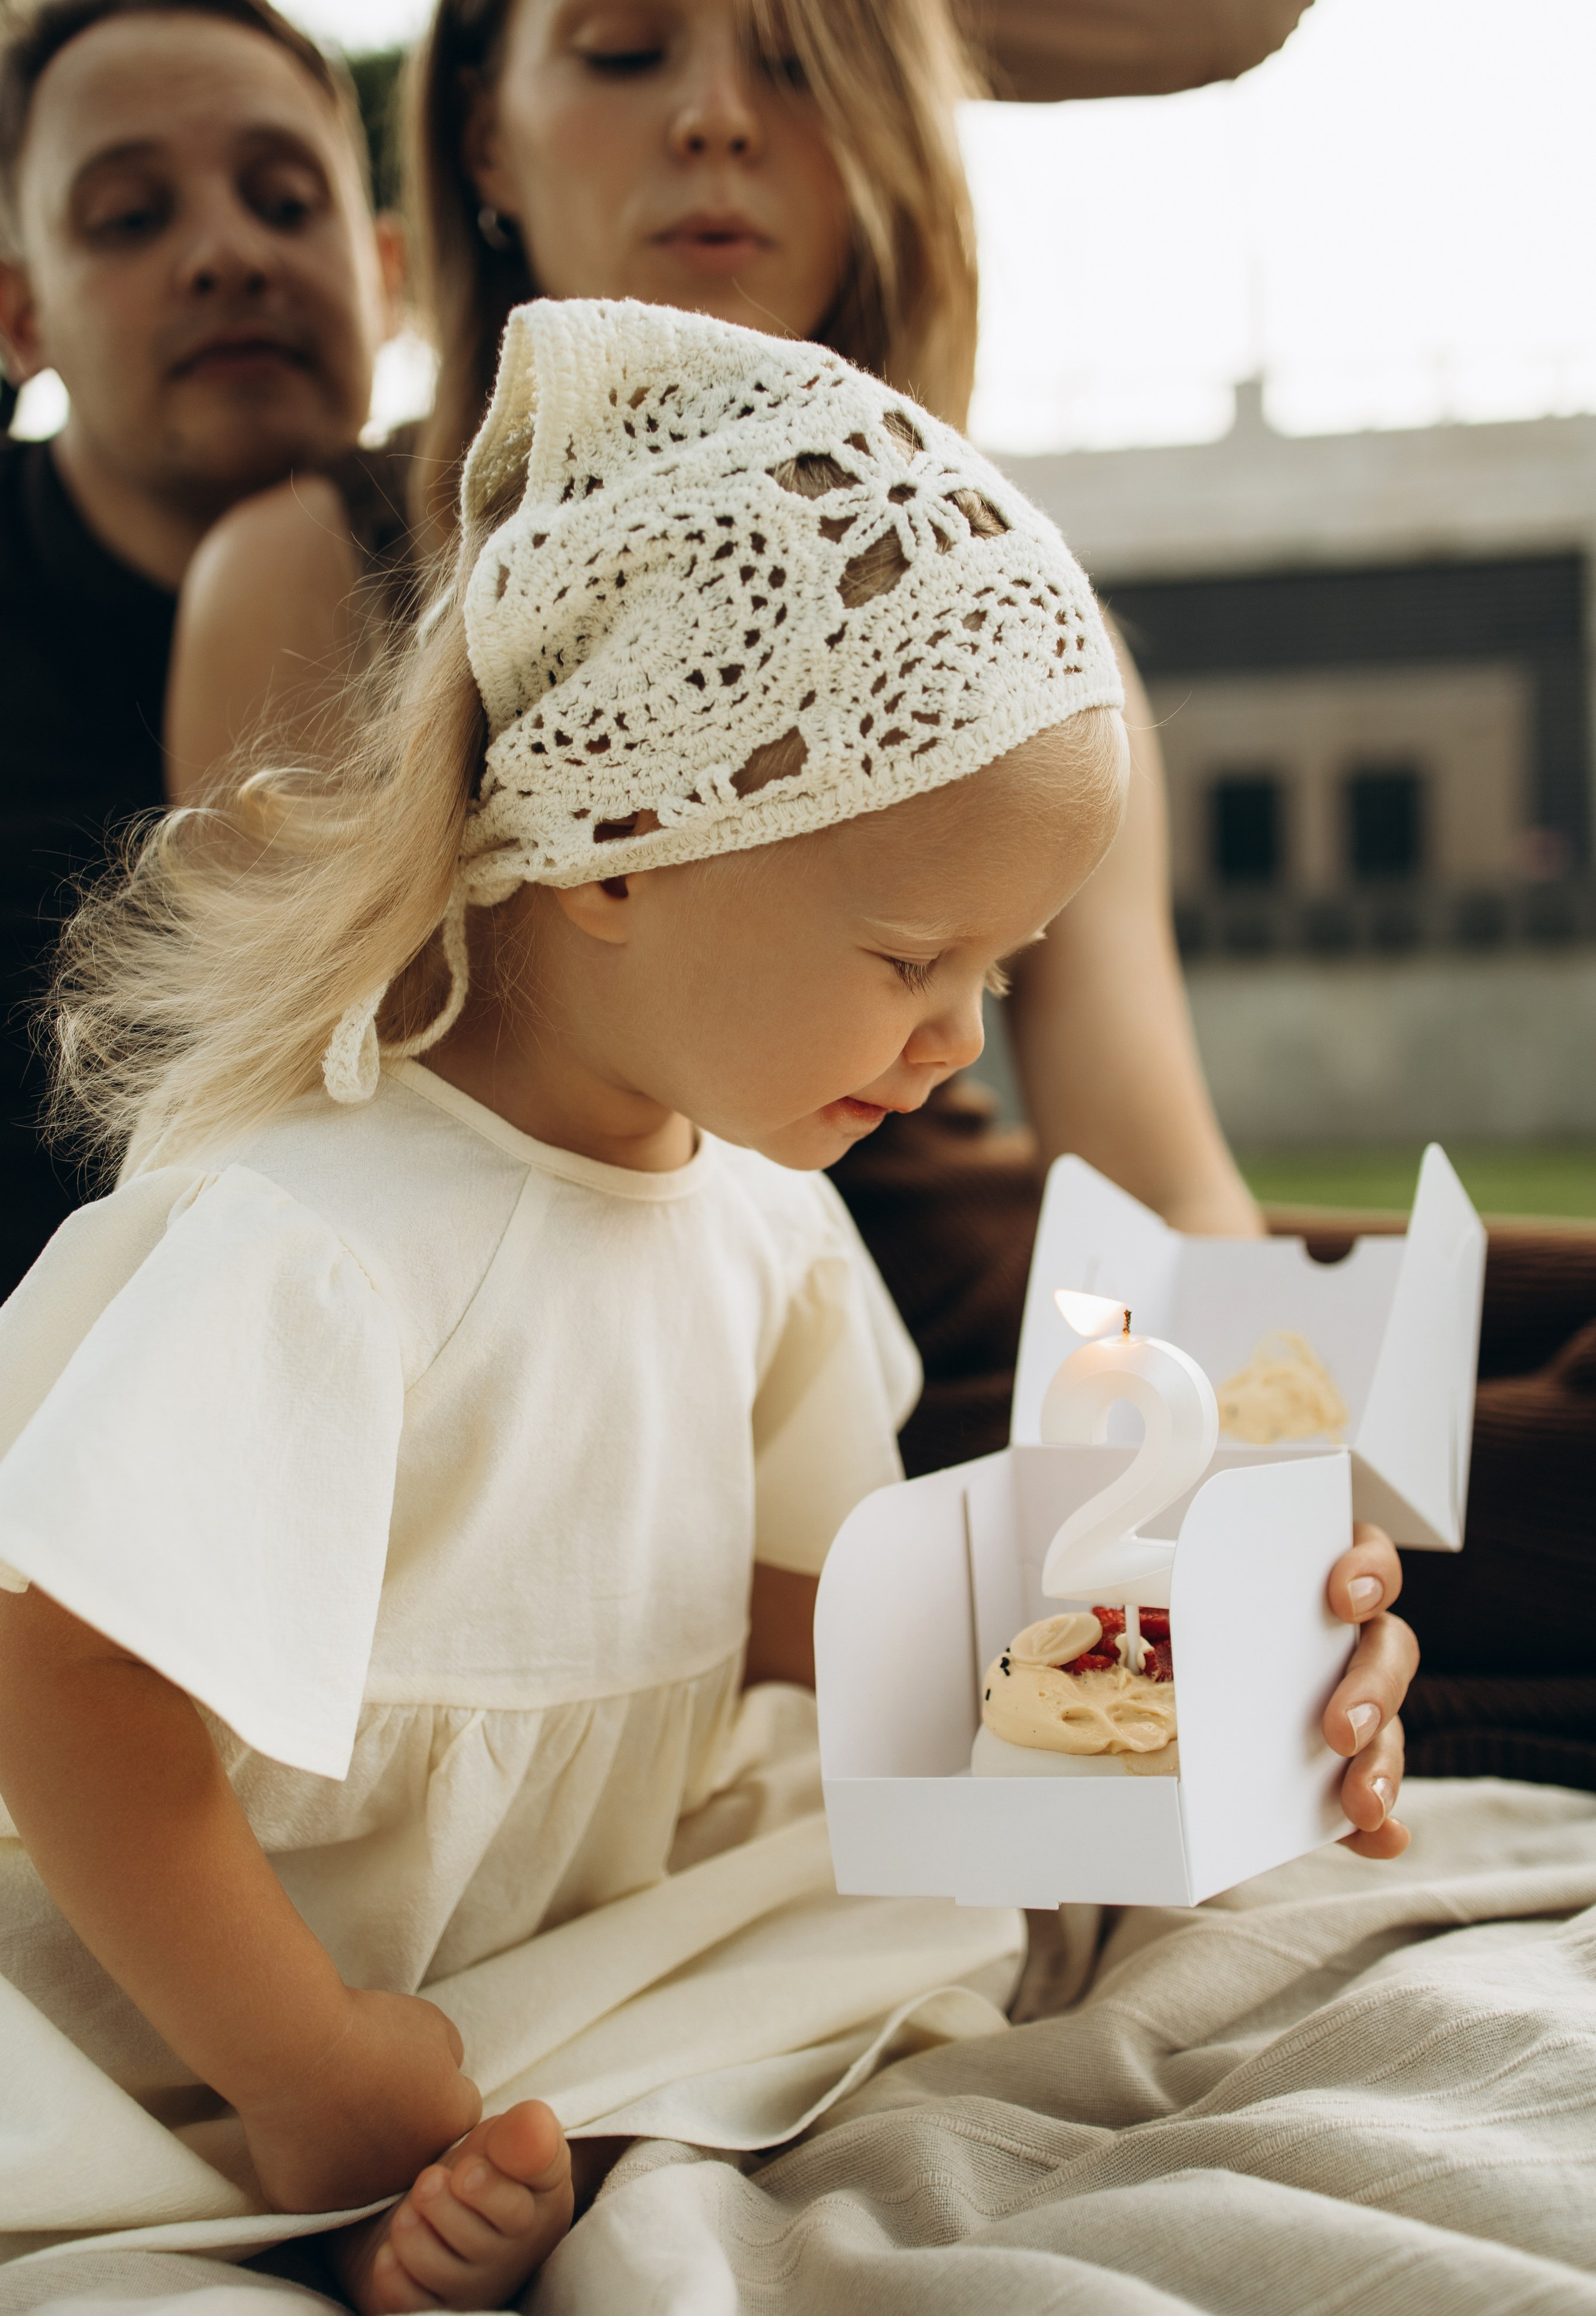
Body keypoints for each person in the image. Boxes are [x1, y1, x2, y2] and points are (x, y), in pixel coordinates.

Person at [0, 301, 1416, 2309]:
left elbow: (792, 1613)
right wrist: (304, 2064)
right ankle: (317, 2169)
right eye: (917, 957)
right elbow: (70, 1688)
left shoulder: (756, 1215)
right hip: (189, 1979)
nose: (961, 1050)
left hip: (536, 1935)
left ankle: (464, 2150)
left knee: (924, 1920)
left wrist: (1199, 1676)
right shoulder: (317, 1238)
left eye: (1002, 974)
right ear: (621, 853)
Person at [165, 0, 1262, 1464]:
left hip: (989, 1350)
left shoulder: (1019, 627)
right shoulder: (306, 570)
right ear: (487, 130)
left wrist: (1262, 1471)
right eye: (621, 49)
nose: (716, 117)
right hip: (580, 1404)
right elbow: (271, 1143)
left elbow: (1156, 1198)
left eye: (805, 55)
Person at [0, 0, 406, 1296]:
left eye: (286, 201)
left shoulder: (526, 574)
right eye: (126, 217)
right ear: (22, 313)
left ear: (387, 273)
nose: (228, 254)